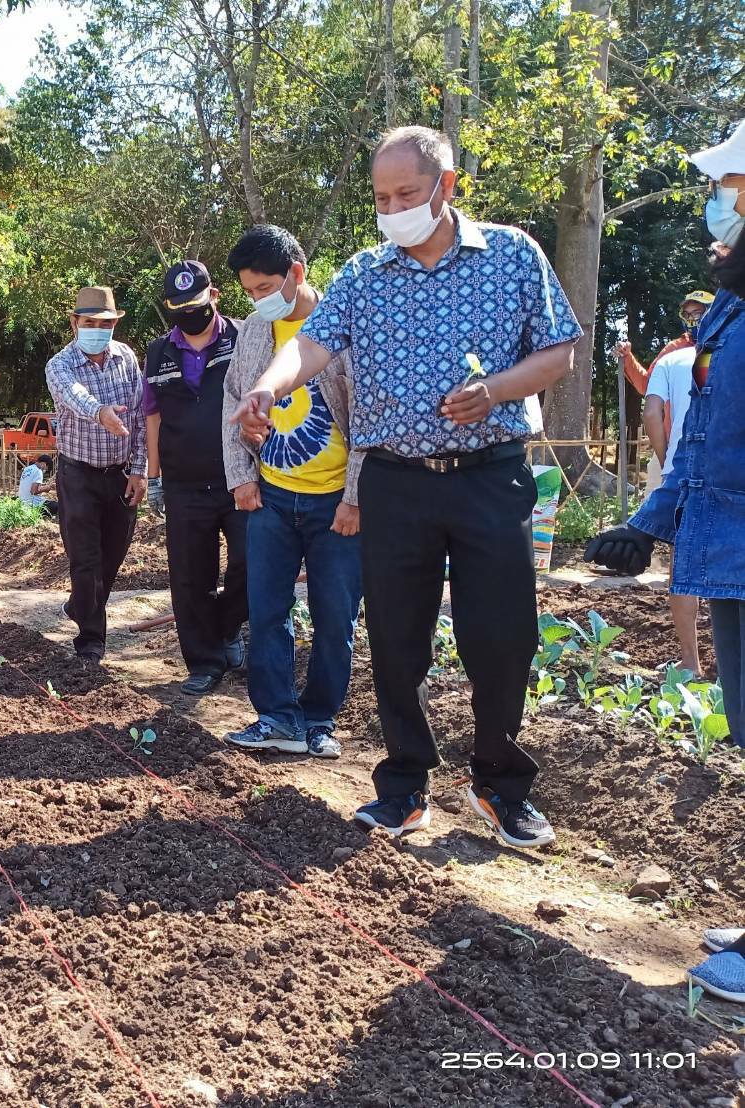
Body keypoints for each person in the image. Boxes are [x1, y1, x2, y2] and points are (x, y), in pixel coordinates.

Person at [233, 126, 581, 849]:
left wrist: (493, 390)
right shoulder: (364, 274)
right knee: (396, 639)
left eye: (405, 194)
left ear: (445, 186)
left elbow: (559, 350)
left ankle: (499, 787)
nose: (391, 209)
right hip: (395, 482)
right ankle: (403, 787)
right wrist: (266, 388)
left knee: (500, 637)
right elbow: (311, 342)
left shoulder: (513, 254)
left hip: (490, 476)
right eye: (380, 197)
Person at [585, 119, 745, 1006]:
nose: (719, 204)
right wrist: (645, 523)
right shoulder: (728, 306)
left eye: (733, 187)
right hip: (728, 547)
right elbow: (701, 445)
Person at [221, 226, 364, 756]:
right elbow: (233, 399)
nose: (257, 302)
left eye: (263, 289)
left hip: (336, 506)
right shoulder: (257, 335)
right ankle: (277, 717)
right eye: (250, 292)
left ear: (296, 275)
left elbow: (369, 420)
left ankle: (320, 720)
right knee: (267, 610)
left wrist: (355, 497)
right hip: (272, 499)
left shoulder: (342, 331)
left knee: (335, 616)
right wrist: (241, 476)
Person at [144, 260, 246, 695]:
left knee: (250, 565)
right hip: (184, 482)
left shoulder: (243, 339)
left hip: (240, 477)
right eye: (178, 307)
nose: (189, 314)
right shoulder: (157, 353)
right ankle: (204, 661)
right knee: (190, 577)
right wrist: (154, 478)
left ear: (215, 297)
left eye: (196, 304)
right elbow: (152, 417)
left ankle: (227, 627)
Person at [45, 286, 148, 663]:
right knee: (85, 558)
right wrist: (101, 411)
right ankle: (91, 640)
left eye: (105, 323)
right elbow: (74, 395)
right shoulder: (59, 364)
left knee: (112, 557)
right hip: (78, 475)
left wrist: (140, 471)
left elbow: (138, 418)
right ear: (74, 323)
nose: (97, 329)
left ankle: (81, 604)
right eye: (89, 322)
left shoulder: (126, 358)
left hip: (120, 475)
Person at [644, 342, 707, 675]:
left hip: (685, 473)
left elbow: (652, 413)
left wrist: (666, 457)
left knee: (682, 571)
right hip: (732, 471)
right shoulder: (732, 350)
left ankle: (690, 662)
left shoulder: (670, 360)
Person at [615, 289, 714, 402]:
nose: (691, 319)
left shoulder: (727, 345)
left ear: (711, 312)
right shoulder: (674, 349)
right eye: (687, 315)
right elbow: (646, 385)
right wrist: (627, 357)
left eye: (696, 313)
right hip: (678, 420)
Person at [18, 453, 58, 519]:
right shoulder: (38, 471)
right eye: (46, 468)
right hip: (32, 504)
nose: (44, 470)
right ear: (44, 463)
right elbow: (33, 491)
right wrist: (47, 488)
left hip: (22, 502)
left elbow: (30, 486)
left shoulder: (27, 469)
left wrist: (46, 486)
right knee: (57, 506)